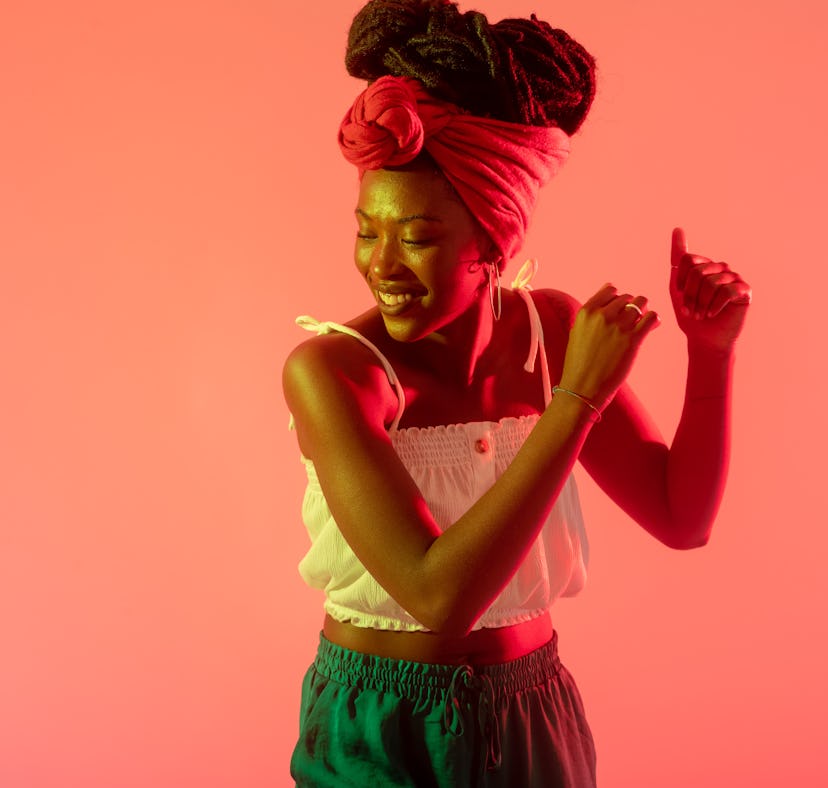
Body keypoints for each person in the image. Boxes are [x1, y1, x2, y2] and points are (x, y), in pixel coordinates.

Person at [283, 1, 751, 785]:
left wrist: (712, 352)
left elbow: (682, 519)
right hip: (379, 723)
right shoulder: (333, 373)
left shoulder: (552, 331)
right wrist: (575, 401)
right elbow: (439, 595)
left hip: (534, 710)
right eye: (369, 230)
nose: (383, 265)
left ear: (495, 240)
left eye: (420, 238)